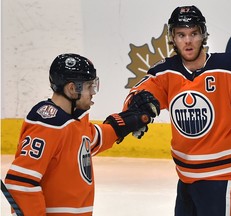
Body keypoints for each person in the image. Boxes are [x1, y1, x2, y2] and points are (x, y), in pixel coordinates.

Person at [123, 5, 231, 216]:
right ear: (172, 37)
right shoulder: (164, 72)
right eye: (181, 35)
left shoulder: (230, 67)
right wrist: (138, 106)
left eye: (193, 33)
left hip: (226, 176)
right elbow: (135, 97)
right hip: (187, 179)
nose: (188, 41)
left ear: (203, 35)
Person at [4, 53, 159, 215]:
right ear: (72, 88)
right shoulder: (48, 123)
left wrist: (127, 122)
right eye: (88, 86)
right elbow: (20, 183)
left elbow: (91, 140)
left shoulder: (74, 118)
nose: (93, 92)